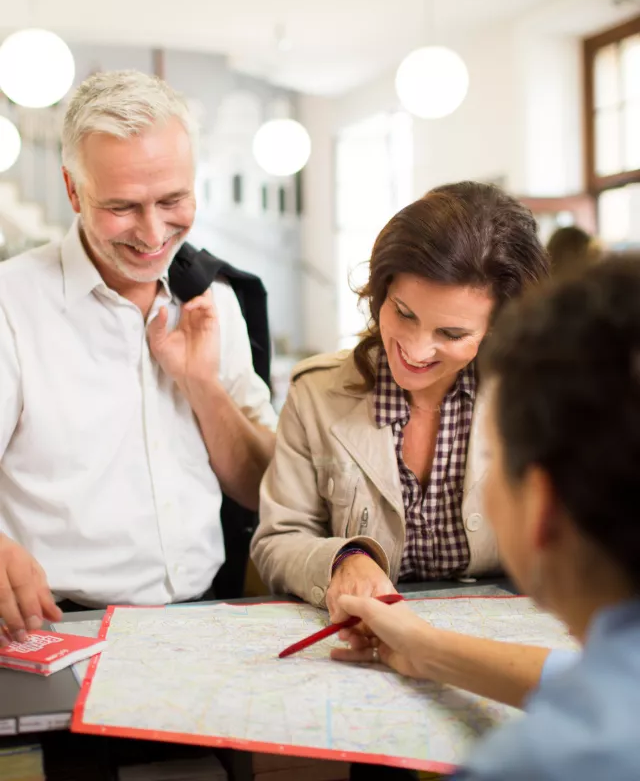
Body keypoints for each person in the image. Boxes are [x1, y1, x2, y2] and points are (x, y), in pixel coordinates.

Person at [333, 254, 640, 780]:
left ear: (541, 507)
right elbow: (594, 678)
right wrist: (426, 648)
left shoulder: (532, 763)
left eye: (496, 460)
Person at [0, 70, 277, 644]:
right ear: (74, 192)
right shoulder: (10, 304)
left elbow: (262, 489)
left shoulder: (217, 300)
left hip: (206, 624)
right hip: (63, 631)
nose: (153, 232)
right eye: (122, 206)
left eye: (173, 199)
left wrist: (201, 383)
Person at [252, 182, 549, 622]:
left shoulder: (533, 396)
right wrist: (343, 560)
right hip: (368, 639)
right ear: (380, 290)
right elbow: (278, 539)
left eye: (451, 334)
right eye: (403, 313)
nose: (415, 348)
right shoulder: (314, 393)